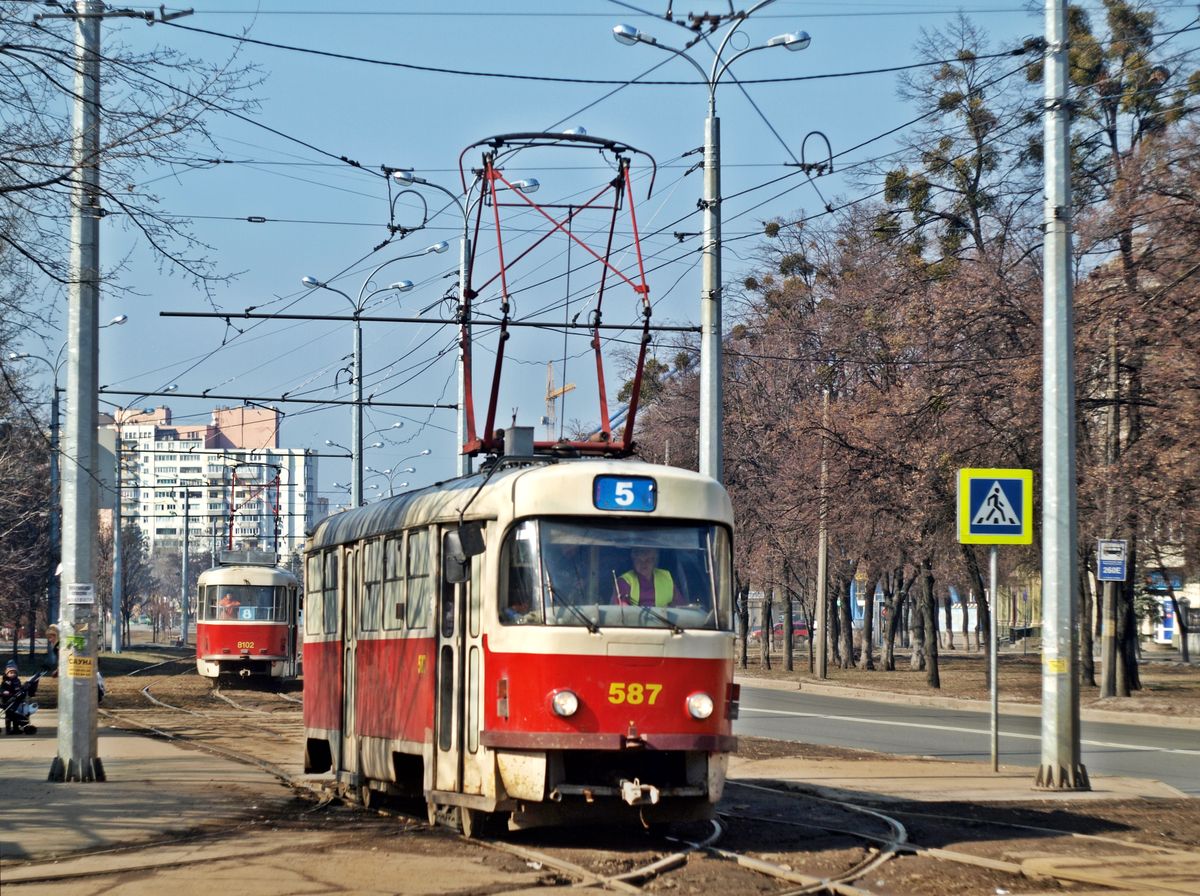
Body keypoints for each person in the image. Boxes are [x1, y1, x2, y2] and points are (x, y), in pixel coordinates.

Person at [614, 547, 684, 608]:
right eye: (639, 560)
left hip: (665, 622)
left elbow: (680, 606)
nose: (644, 564)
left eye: (648, 560)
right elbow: (622, 611)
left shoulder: (666, 577)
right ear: (633, 561)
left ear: (654, 561)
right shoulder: (624, 581)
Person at [2, 660, 31, 735]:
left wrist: (21, 690)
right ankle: (8, 730)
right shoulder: (6, 681)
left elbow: (19, 688)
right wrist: (4, 691)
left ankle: (16, 729)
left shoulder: (17, 680)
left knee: (16, 716)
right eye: (11, 673)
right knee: (8, 716)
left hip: (16, 700)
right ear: (7, 673)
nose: (13, 674)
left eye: (14, 673)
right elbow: (2, 689)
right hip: (7, 701)